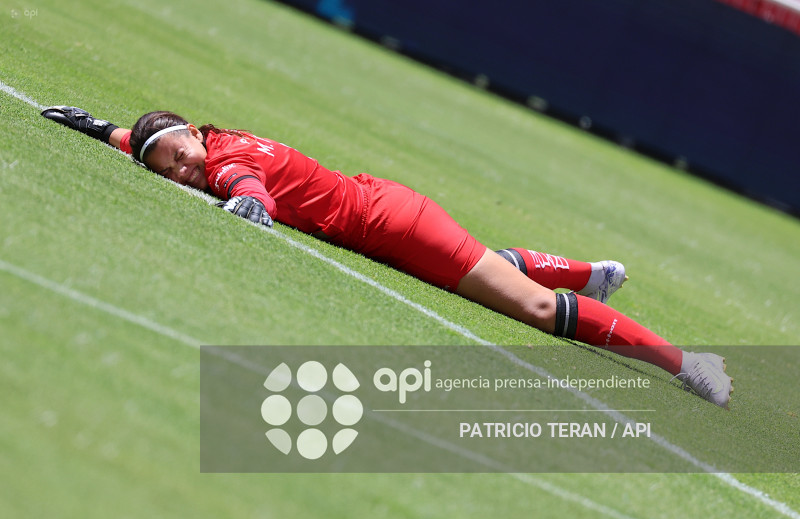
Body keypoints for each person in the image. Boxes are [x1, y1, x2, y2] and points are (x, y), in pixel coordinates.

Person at [40, 106, 733, 408]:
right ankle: (587, 274)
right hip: (378, 212)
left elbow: (245, 188)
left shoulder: (228, 164)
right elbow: (154, 139)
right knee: (484, 267)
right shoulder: (201, 139)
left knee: (527, 306)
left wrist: (251, 205)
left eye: (184, 160)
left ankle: (687, 361)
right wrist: (105, 130)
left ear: (196, 136)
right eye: (172, 172)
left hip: (391, 224)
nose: (185, 173)